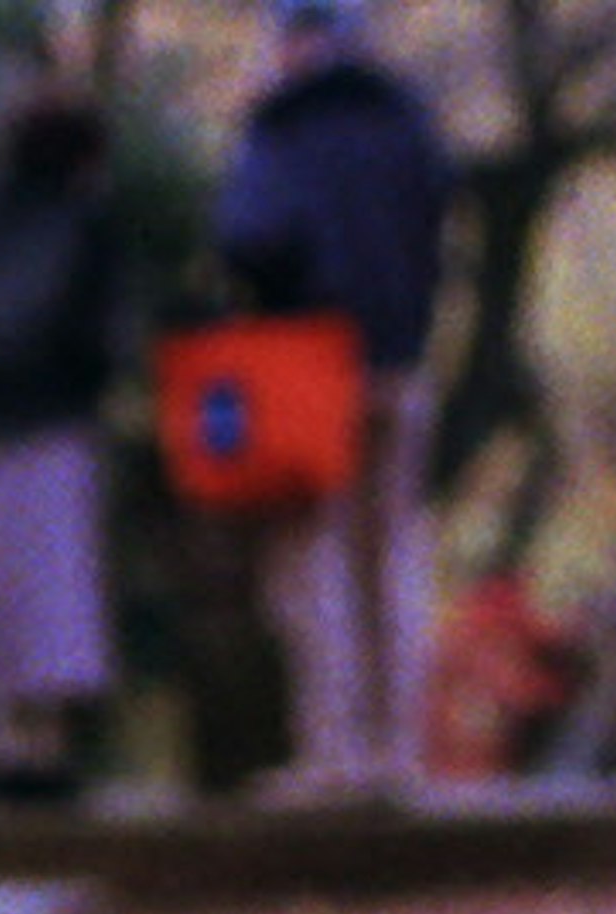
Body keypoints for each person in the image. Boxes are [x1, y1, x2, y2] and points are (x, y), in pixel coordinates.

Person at [216, 0, 452, 793]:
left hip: (307, 363)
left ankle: (332, 753)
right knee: (393, 554)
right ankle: (399, 752)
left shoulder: (279, 131)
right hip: (401, 358)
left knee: (312, 560)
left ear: (292, 44)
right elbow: (437, 220)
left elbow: (248, 238)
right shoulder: (406, 119)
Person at [0, 75, 121, 803]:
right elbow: (99, 332)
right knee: (54, 593)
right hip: (51, 423)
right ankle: (47, 748)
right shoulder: (82, 222)